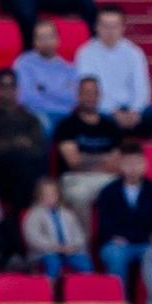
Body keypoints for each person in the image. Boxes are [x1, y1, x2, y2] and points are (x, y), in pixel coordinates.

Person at [75, 7, 152, 164]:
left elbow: (142, 88)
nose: (110, 31)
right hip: (105, 113)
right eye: (105, 26)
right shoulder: (85, 53)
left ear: (123, 28)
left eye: (115, 26)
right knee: (96, 118)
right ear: (96, 27)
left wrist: (135, 111)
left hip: (134, 113)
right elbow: (88, 92)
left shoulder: (134, 52)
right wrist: (114, 113)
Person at [52, 75, 126, 220]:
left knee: (125, 190)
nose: (90, 97)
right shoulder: (67, 125)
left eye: (94, 93)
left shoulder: (111, 125)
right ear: (78, 95)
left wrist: (86, 159)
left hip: (107, 178)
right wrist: (104, 160)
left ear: (99, 95)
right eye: (86, 93)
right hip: (76, 179)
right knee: (78, 195)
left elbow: (117, 163)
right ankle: (83, 242)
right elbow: (73, 162)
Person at [94, 142, 152, 280]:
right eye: (128, 163)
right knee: (115, 255)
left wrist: (146, 237)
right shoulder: (108, 192)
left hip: (147, 242)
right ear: (121, 165)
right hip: (117, 244)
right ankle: (121, 300)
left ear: (145, 164)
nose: (133, 168)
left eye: (137, 163)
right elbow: (105, 226)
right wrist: (121, 238)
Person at [0, 68, 52, 211]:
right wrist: (18, 142)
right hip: (0, 173)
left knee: (29, 164)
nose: (8, 90)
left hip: (27, 172)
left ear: (17, 88)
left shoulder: (30, 119)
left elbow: (38, 149)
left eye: (12, 85)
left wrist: (5, 143)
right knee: (17, 160)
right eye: (4, 86)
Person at [14, 18, 79, 133]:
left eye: (50, 37)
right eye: (42, 38)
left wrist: (44, 89)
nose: (47, 42)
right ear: (34, 41)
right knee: (44, 127)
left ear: (58, 39)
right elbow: (25, 97)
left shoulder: (69, 68)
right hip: (35, 113)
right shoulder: (24, 63)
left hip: (65, 115)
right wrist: (58, 92)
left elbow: (72, 99)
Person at [22, 177, 95, 277]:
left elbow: (79, 235)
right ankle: (51, 290)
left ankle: (84, 290)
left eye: (53, 194)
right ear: (39, 196)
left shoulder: (68, 214)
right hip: (45, 252)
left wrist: (73, 246)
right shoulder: (34, 214)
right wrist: (56, 247)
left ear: (58, 195)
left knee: (84, 262)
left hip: (69, 251)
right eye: (46, 194)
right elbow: (33, 238)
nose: (50, 197)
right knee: (53, 262)